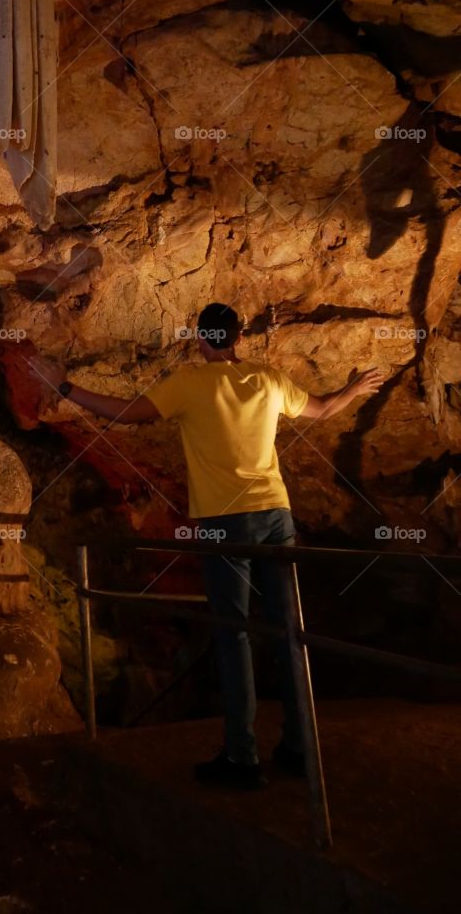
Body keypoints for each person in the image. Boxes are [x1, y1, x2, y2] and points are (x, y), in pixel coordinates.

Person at [26, 302, 384, 790]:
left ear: (201, 339)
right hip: (276, 516)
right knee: (288, 633)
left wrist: (63, 386)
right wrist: (353, 389)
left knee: (233, 635)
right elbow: (322, 409)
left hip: (224, 522)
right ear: (237, 338)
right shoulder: (266, 378)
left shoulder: (191, 383)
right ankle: (301, 748)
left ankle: (243, 759)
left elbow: (128, 415)